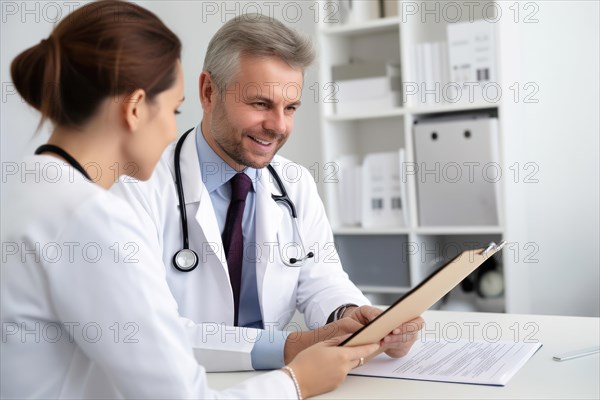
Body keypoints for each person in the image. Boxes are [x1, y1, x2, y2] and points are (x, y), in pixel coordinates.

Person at [0, 1, 381, 399]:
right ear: (135, 109)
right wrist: (297, 380)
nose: (172, 130)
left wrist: (348, 316)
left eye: (290, 108)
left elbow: (320, 276)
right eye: (173, 109)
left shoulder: (31, 189)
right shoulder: (91, 217)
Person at [112, 12, 424, 372]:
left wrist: (357, 319)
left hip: (276, 382)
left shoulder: (294, 183)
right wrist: (294, 346)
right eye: (260, 104)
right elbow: (146, 330)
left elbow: (321, 278)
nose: (278, 126)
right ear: (208, 92)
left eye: (290, 108)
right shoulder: (138, 188)